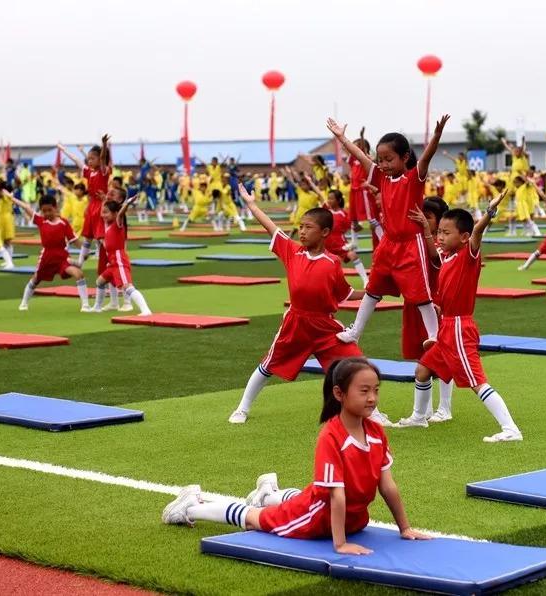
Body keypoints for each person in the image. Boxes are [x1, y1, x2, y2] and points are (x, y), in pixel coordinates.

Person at [165, 358, 430, 553]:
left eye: (376, 390)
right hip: (318, 518)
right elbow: (336, 495)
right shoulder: (332, 436)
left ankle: (268, 494)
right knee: (256, 519)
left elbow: (387, 485)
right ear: (339, 393)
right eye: (364, 391)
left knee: (306, 497)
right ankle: (192, 505)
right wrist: (340, 544)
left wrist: (405, 528)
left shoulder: (376, 432)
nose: (372, 398)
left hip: (353, 518)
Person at [228, 184, 366, 424]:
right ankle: (242, 408)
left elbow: (345, 293)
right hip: (296, 323)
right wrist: (251, 204)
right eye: (301, 227)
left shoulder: (333, 262)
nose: (301, 232)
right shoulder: (292, 251)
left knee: (355, 366)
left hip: (325, 327)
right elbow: (271, 227)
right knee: (268, 365)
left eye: (308, 227)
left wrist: (369, 293)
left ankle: (371, 412)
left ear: (325, 232)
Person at [396, 192, 523, 443]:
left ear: (463, 237)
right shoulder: (448, 257)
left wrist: (489, 213)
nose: (440, 237)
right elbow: (436, 257)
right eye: (439, 232)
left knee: (477, 381)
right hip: (447, 327)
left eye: (446, 233)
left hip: (459, 329)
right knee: (423, 370)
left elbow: (477, 233)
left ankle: (510, 429)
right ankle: (419, 417)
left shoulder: (468, 255)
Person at [326, 115, 450, 349]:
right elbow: (361, 157)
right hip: (388, 244)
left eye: (389, 159)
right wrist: (342, 138)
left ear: (405, 157)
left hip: (411, 244)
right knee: (372, 290)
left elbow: (426, 157)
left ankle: (434, 335)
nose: (383, 164)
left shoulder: (413, 179)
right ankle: (355, 332)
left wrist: (436, 135)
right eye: (380, 159)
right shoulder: (381, 177)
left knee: (420, 294)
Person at [403, 198, 454, 423]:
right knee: (422, 355)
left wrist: (425, 230)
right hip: (415, 302)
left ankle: (445, 408)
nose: (422, 218)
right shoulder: (413, 240)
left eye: (428, 216)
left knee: (442, 355)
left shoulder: (442, 244)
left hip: (436, 303)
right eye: (421, 214)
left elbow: (437, 260)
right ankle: (425, 410)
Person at [6, 192, 90, 312]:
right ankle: (24, 303)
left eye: (49, 210)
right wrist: (13, 199)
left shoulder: (64, 223)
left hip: (62, 258)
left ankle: (85, 305)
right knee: (35, 279)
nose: (47, 213)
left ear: (55, 208)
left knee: (79, 274)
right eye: (44, 211)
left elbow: (74, 240)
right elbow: (26, 207)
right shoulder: (41, 221)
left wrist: (85, 250)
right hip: (46, 258)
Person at [90, 192, 152, 315]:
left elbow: (120, 214)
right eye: (103, 212)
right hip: (112, 263)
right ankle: (97, 307)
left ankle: (146, 310)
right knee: (100, 282)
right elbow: (107, 211)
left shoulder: (117, 223)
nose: (103, 215)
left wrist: (127, 203)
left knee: (127, 287)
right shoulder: (107, 225)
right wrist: (104, 200)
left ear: (114, 213)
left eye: (106, 212)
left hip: (119, 261)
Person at [58, 136, 111, 268]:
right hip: (91, 206)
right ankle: (80, 262)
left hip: (101, 206)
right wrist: (63, 149)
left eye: (93, 158)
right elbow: (76, 160)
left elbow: (103, 158)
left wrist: (104, 144)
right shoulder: (89, 172)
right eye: (89, 159)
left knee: (101, 237)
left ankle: (112, 260)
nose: (89, 161)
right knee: (87, 237)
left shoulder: (103, 171)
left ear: (100, 159)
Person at [308, 178, 369, 286]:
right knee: (319, 263)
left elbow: (355, 227)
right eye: (328, 198)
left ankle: (366, 281)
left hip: (339, 244)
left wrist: (356, 229)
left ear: (339, 200)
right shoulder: (326, 209)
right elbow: (319, 193)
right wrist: (310, 182)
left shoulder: (344, 214)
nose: (329, 200)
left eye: (331, 199)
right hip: (325, 244)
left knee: (353, 256)